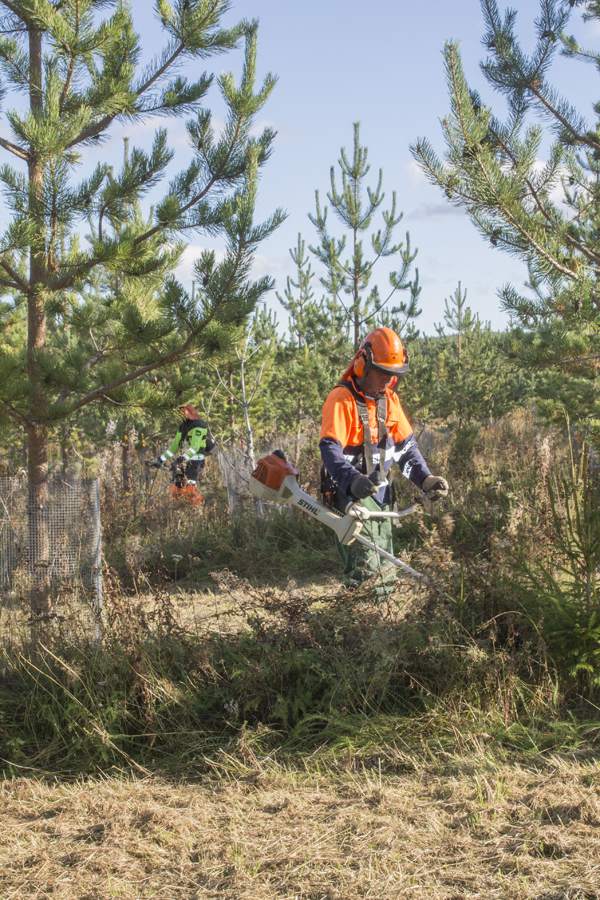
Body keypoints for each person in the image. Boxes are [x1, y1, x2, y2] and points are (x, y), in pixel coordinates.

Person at [320, 327, 448, 594]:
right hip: (351, 498)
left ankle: (379, 628)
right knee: (366, 574)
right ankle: (360, 629)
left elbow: (405, 449)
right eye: (382, 373)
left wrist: (426, 479)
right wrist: (352, 480)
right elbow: (330, 451)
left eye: (393, 376)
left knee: (386, 572)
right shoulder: (341, 400)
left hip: (381, 497)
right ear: (363, 363)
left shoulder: (389, 401)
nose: (387, 381)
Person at [150, 403, 215, 501]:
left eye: (184, 411)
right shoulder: (183, 426)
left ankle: (197, 507)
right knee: (177, 486)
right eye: (180, 412)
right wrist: (160, 459)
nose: (182, 414)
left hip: (198, 458)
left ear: (190, 411)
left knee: (190, 488)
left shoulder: (199, 425)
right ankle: (179, 508)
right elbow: (174, 447)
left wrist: (182, 458)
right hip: (187, 458)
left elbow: (195, 447)